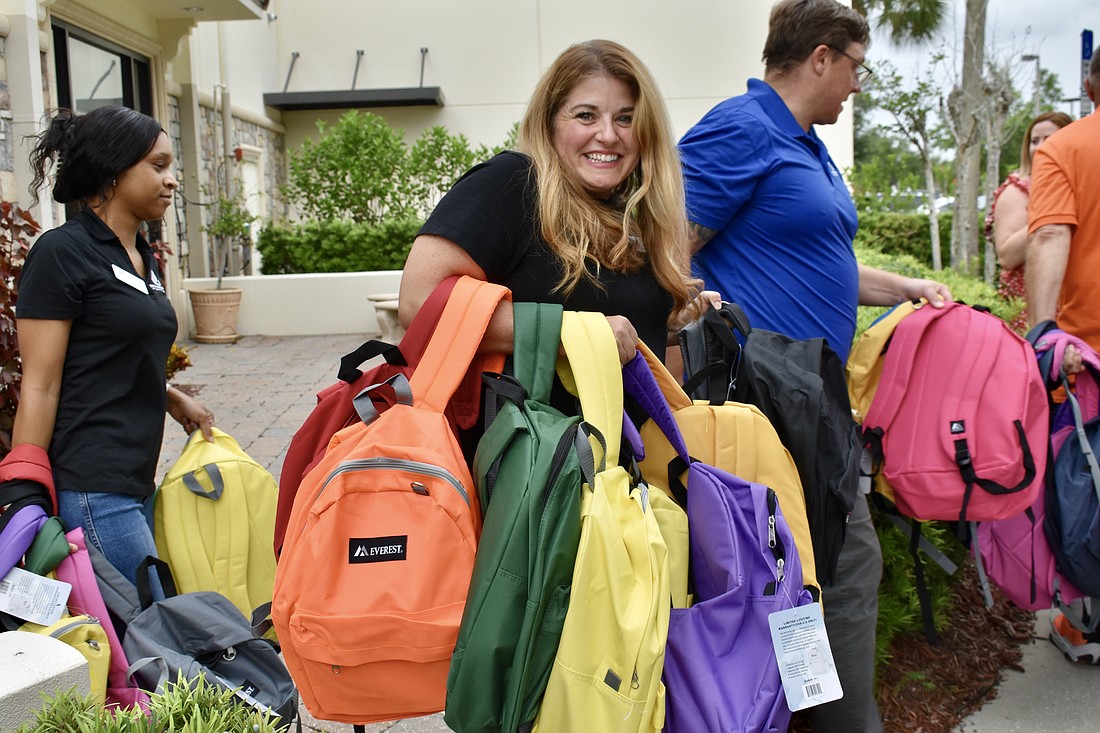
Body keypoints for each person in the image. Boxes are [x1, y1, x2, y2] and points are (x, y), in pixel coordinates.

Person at [677, 1, 951, 731]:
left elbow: (822, 262)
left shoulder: (803, 142)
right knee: (841, 569)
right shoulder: (744, 128)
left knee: (814, 577)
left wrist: (908, 287)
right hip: (768, 405)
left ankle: (808, 714)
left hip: (818, 403)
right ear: (821, 57)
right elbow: (668, 242)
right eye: (857, 66)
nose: (858, 85)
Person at [398, 39, 707, 370]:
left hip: (618, 423)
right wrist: (574, 333)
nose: (608, 135)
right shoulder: (511, 182)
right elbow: (419, 305)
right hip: (521, 422)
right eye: (586, 115)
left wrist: (676, 323)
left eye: (626, 119)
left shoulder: (619, 211)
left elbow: (614, 328)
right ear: (549, 123)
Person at [9, 105, 215, 588]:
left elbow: (107, 351)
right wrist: (24, 488)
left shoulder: (141, 256)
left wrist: (168, 395)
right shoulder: (62, 253)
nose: (171, 180)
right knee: (155, 625)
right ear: (113, 170)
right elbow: (40, 383)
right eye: (158, 165)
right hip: (91, 481)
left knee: (135, 633)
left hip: (136, 474)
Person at [1026, 52, 1100, 665]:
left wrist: (1042, 334)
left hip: (1088, 353)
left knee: (1084, 488)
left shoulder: (1067, 148)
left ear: (1087, 84)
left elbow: (1050, 235)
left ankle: (1085, 622)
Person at [985, 111, 1072, 333]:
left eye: (1049, 139)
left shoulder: (1074, 183)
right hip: (1028, 306)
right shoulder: (1017, 190)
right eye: (1034, 141)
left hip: (1070, 302)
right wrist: (1049, 216)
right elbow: (1006, 255)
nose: (1041, 146)